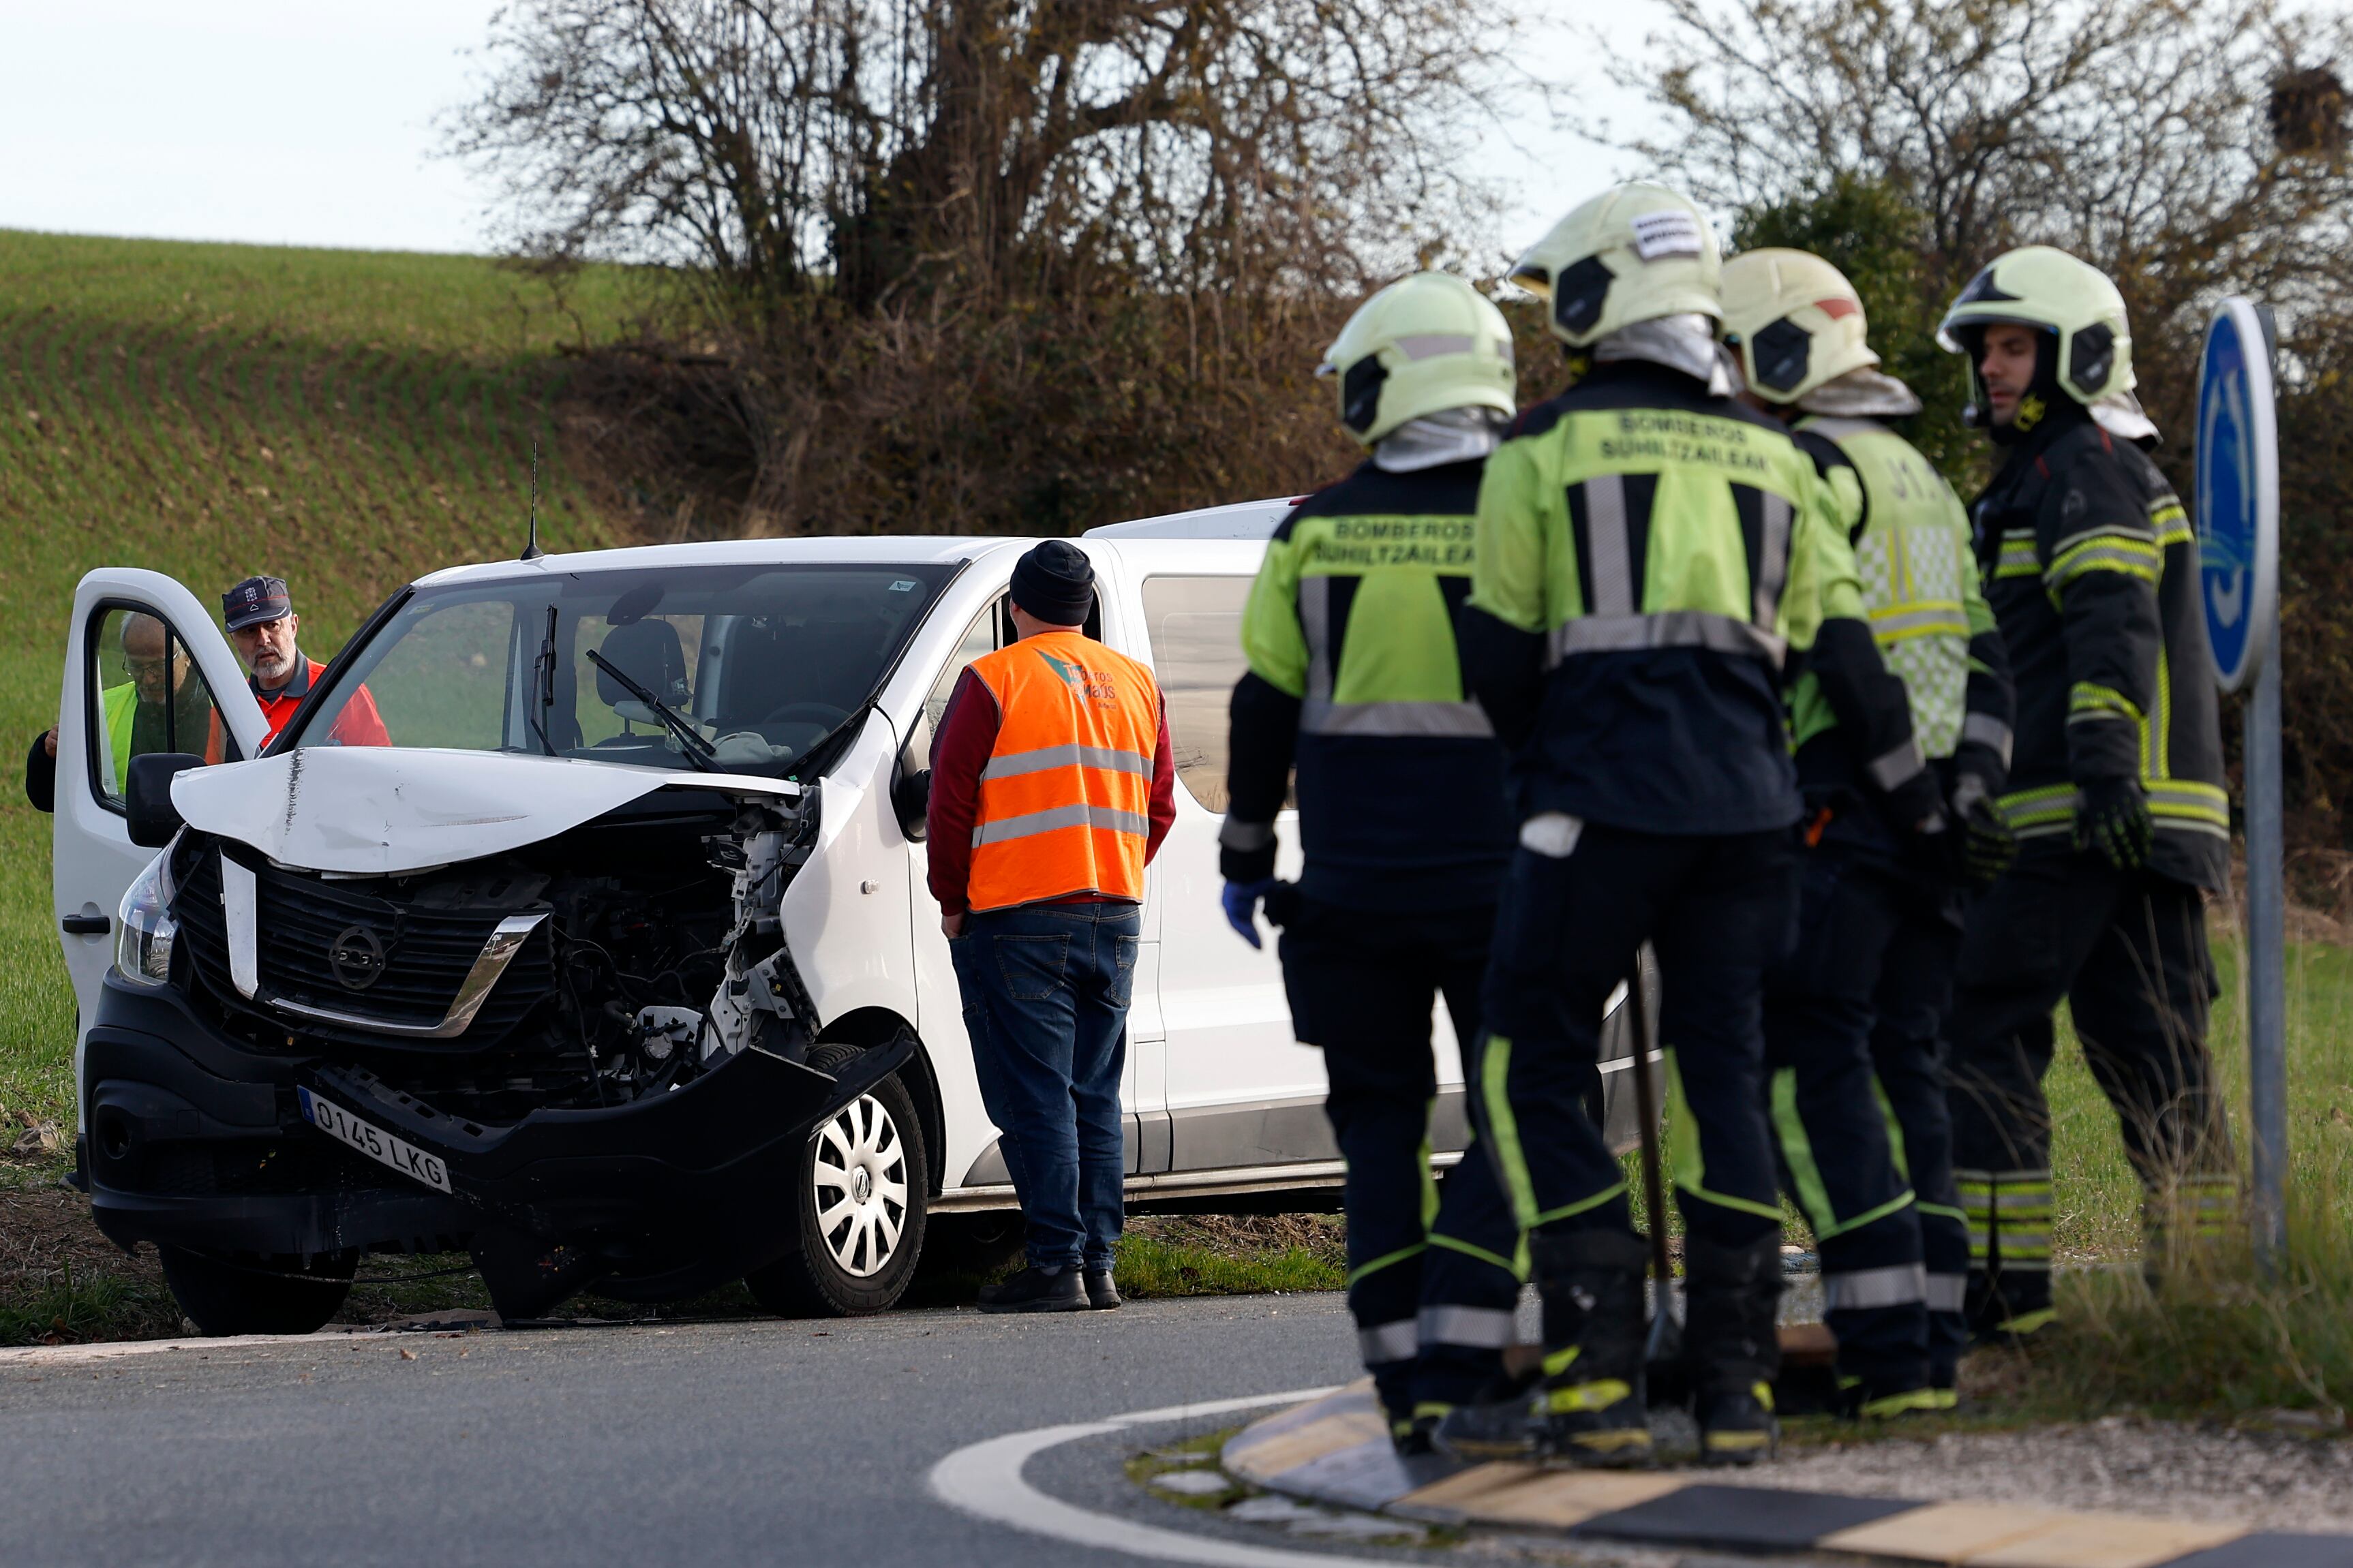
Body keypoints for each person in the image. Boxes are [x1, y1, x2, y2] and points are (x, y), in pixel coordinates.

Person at [1436, 183, 1927, 1467]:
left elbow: (1491, 651)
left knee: (1526, 1061)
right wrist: (1921, 808)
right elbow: (1848, 660)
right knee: (1726, 1080)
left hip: (1594, 810)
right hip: (1754, 822)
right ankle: (1735, 1389)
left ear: (1606, 297)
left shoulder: (1537, 453)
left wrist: (1546, 764)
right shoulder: (1775, 455)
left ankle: (1598, 1377)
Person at [1220, 272, 1526, 1453]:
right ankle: (1463, 1322)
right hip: (1509, 888)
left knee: (1378, 1131)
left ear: (1393, 380)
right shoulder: (1529, 515)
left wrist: (1246, 846)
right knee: (1517, 1115)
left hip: (1350, 892)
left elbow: (1263, 703)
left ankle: (1399, 1374)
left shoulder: (1317, 527)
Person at [1720, 248, 2016, 1415]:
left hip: (1845, 814)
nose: (1731, 384)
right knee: (1911, 1069)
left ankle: (1885, 1350)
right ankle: (1933, 1346)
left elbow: (1836, 651)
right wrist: (1964, 796)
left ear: (1783, 351)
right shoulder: (1920, 472)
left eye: (1739, 355)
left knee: (1812, 1072)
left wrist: (1900, 793)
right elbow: (1986, 654)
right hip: (1934, 827)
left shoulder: (1804, 465)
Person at [1936, 248, 2233, 1344]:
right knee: (2162, 1069)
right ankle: (2209, 1302)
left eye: (2015, 347)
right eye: (1988, 350)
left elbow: (2111, 620)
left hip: (2081, 818)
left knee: (1982, 1033)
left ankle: (2002, 1303)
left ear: (2077, 354)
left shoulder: (2082, 465)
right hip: (2138, 829)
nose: (1995, 369)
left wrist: (2104, 772)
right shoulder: (2062, 470)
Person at [926, 540, 1178, 1313]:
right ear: (1086, 608)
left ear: (1014, 608)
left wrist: (951, 898)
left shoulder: (992, 678)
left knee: (1036, 1096)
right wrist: (1112, 868)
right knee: (1093, 1097)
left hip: (1017, 917)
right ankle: (1098, 1266)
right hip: (1114, 911)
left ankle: (1054, 1266)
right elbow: (1159, 805)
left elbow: (948, 802)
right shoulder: (1137, 683)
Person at [222, 575, 390, 748]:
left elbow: (380, 767)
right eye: (250, 631)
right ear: (234, 641)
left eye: (272, 626)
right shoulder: (227, 707)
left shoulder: (341, 691)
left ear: (293, 626)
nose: (263, 640)